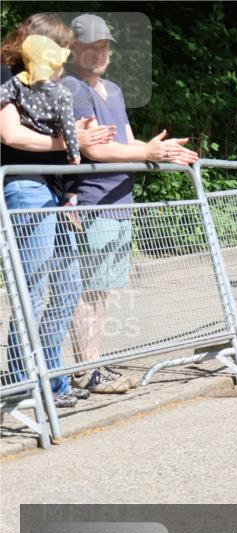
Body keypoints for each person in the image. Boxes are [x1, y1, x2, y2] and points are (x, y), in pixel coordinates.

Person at [61, 14, 199, 394]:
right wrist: (149, 151)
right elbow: (93, 146)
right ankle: (86, 368)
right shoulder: (71, 88)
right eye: (91, 46)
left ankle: (93, 363)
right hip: (92, 199)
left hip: (118, 199)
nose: (99, 53)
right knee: (87, 288)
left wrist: (161, 152)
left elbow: (129, 141)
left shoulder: (114, 90)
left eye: (104, 46)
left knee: (100, 288)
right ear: (73, 48)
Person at [1, 12, 115, 409]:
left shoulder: (54, 83)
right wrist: (69, 143)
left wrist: (78, 134)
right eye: (61, 48)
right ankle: (24, 379)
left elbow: (60, 129)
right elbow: (11, 134)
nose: (66, 58)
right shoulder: (6, 76)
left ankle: (51, 376)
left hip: (57, 189)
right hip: (25, 187)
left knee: (67, 286)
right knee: (30, 286)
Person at [0, 35, 79, 165]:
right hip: (47, 155)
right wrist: (74, 154)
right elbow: (68, 126)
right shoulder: (63, 93)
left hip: (23, 154)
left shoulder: (18, 82)